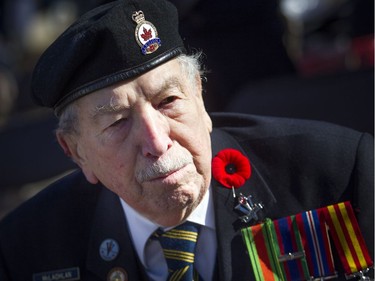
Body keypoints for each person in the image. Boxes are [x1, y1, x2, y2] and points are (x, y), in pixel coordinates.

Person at [0, 0, 373, 280]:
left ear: (200, 95)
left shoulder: (339, 174)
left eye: (169, 102)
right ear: (76, 151)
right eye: (116, 123)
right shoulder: (25, 249)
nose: (157, 141)